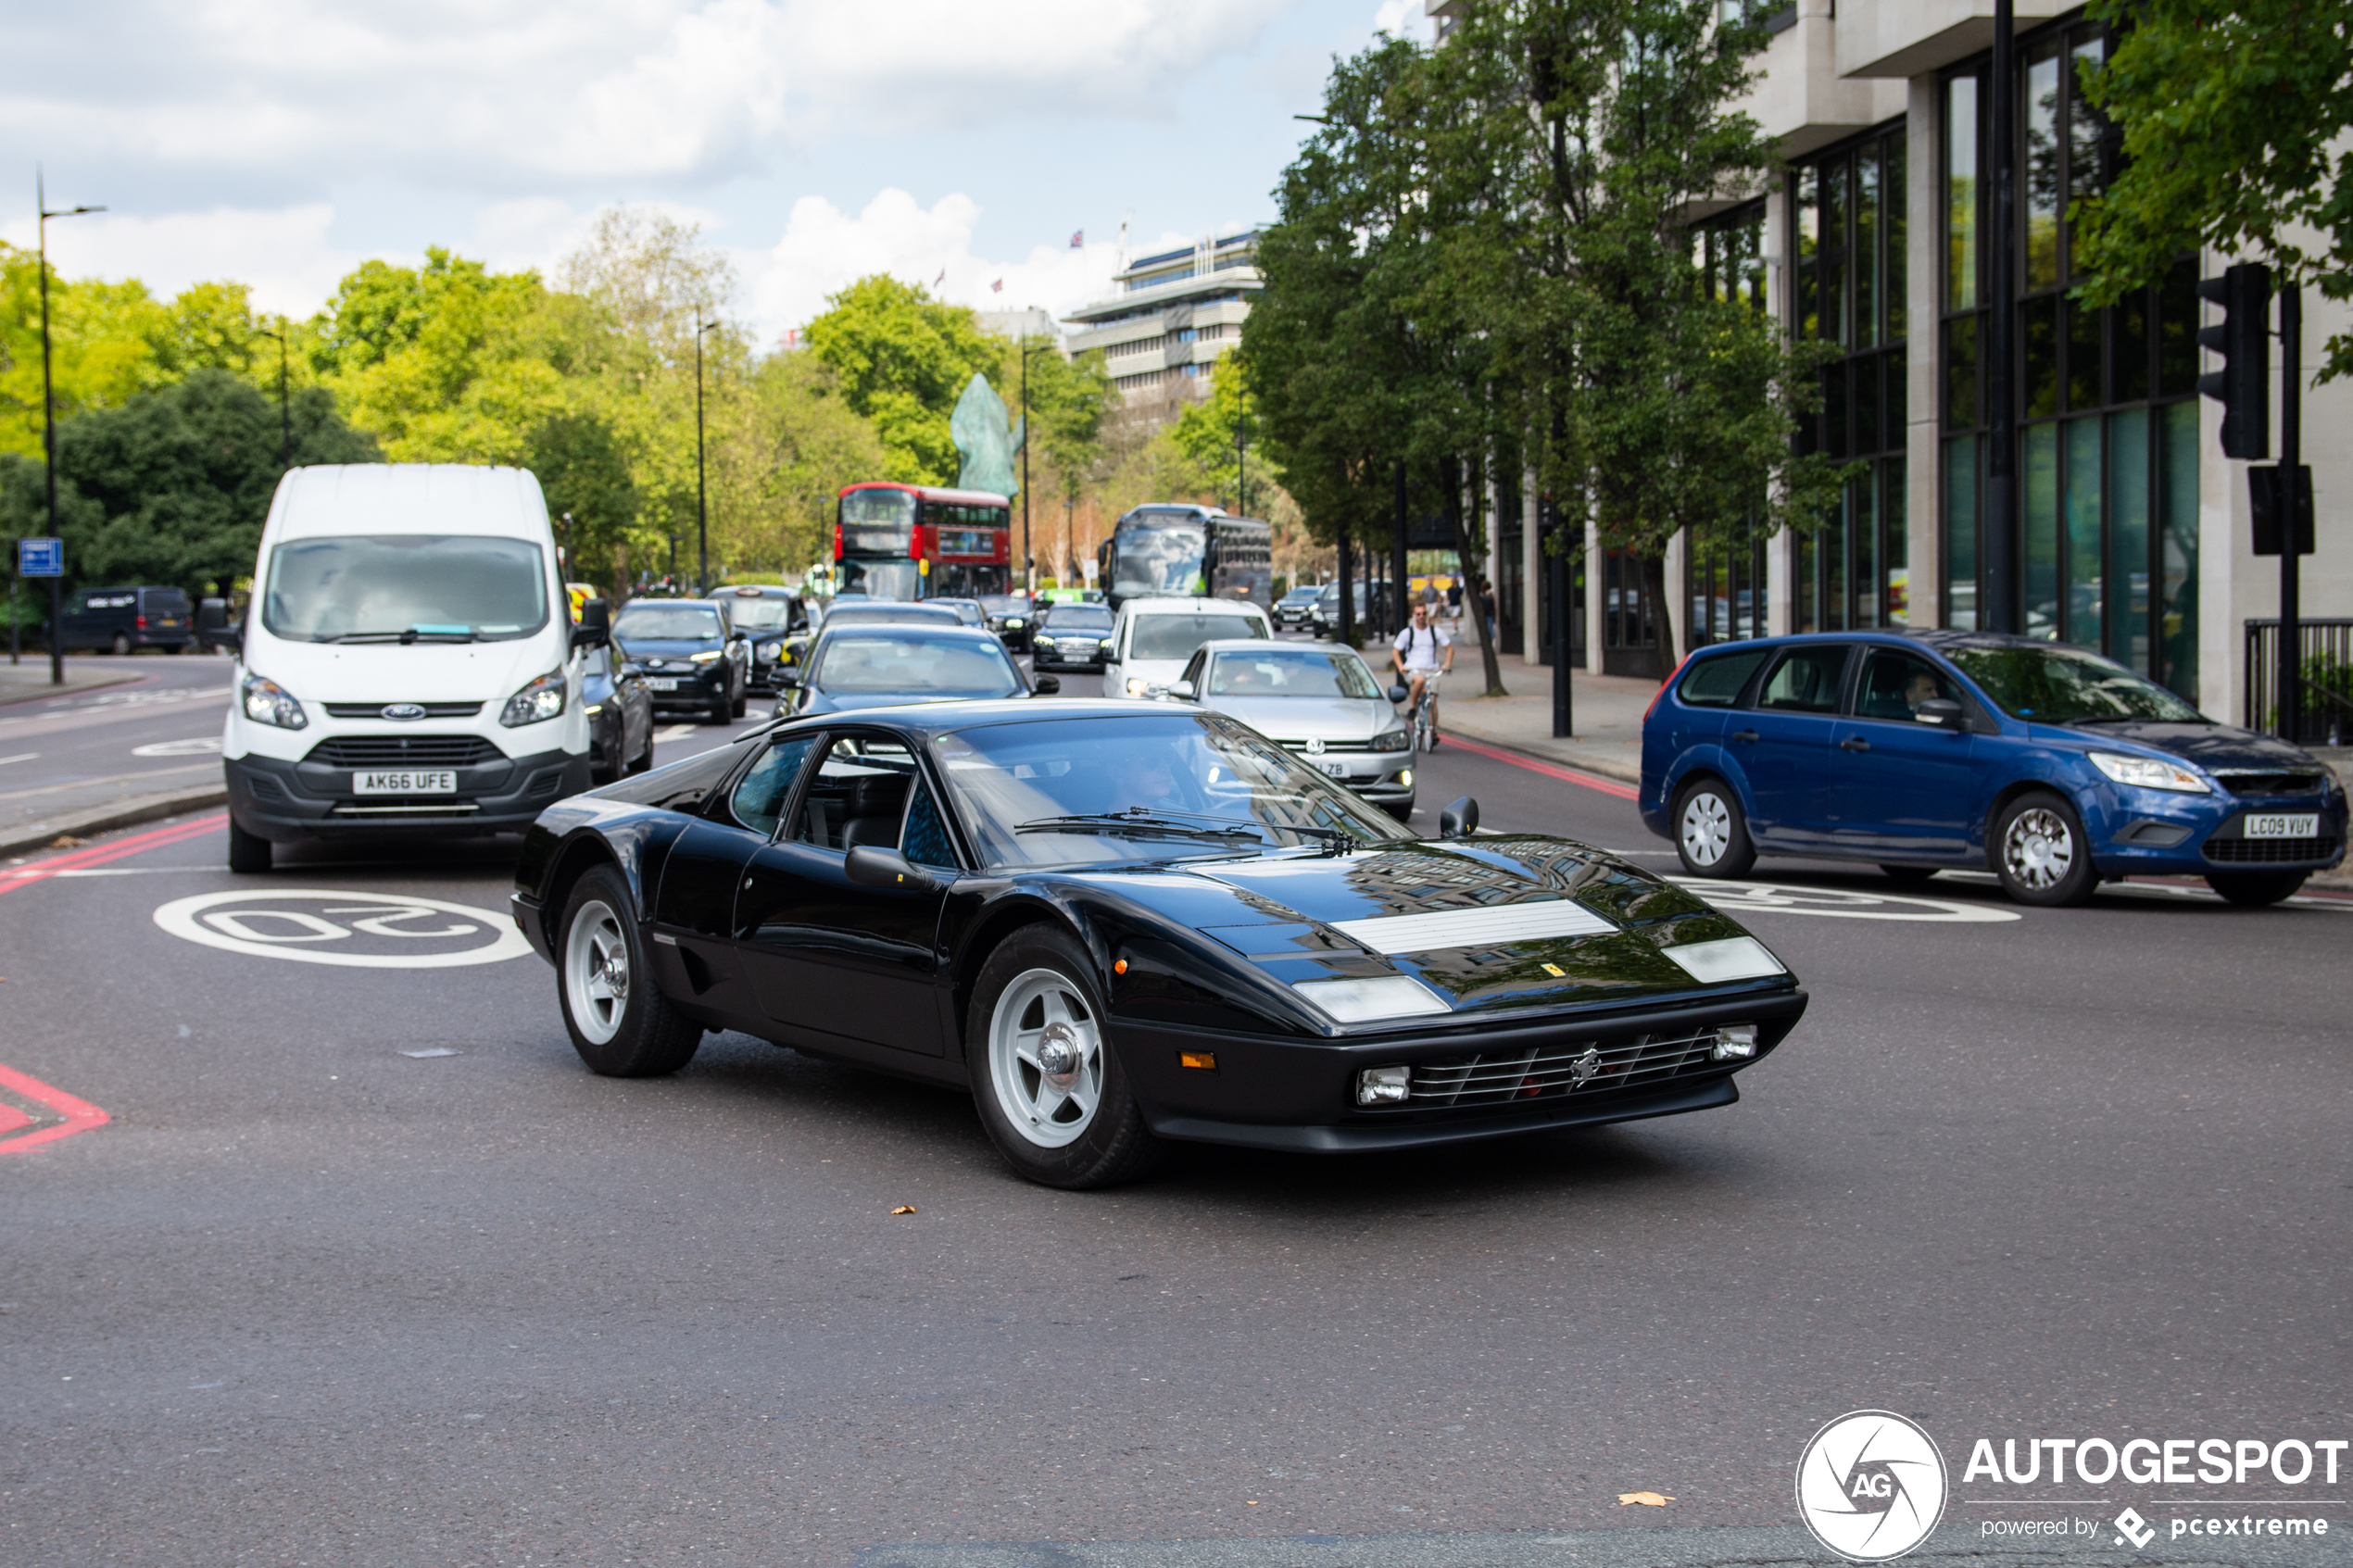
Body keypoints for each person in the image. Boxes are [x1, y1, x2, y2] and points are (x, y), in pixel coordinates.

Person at [1391, 600, 1453, 746]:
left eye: (1424, 613)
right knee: (1419, 681)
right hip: (1413, 669)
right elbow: (1395, 652)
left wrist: (1447, 664)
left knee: (1432, 699)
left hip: (1432, 669)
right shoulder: (1407, 633)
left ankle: (1433, 731)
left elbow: (1450, 649)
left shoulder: (1434, 631)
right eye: (1418, 614)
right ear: (1414, 615)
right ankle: (1413, 708)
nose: (1421, 616)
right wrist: (1401, 667)